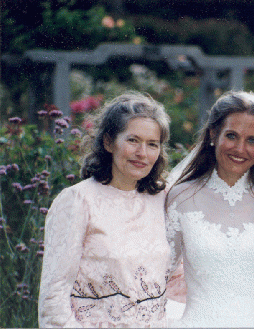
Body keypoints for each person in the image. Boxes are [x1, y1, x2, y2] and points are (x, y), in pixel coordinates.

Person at [38, 92, 174, 328]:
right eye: (133, 140)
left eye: (152, 144)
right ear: (108, 142)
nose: (142, 153)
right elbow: (53, 298)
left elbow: (176, 282)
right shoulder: (77, 201)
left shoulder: (163, 200)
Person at [165, 90, 254, 327]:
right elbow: (159, 273)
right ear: (213, 134)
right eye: (232, 136)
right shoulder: (181, 197)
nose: (240, 149)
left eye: (252, 140)